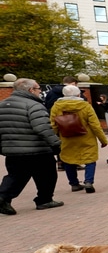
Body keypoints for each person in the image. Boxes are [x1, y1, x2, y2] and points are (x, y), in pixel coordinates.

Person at [0, 78, 63, 214]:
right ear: (31, 90)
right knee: (47, 175)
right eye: (38, 89)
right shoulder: (34, 105)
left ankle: (3, 197)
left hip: (12, 149)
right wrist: (56, 144)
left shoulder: (2, 105)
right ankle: (44, 200)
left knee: (15, 176)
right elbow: (43, 128)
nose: (40, 91)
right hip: (37, 149)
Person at [50, 84, 107, 193]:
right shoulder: (85, 106)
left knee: (68, 160)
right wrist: (103, 140)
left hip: (66, 137)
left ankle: (74, 184)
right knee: (90, 159)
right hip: (86, 137)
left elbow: (53, 125)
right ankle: (88, 181)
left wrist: (53, 139)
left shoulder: (56, 106)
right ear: (78, 94)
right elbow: (95, 125)